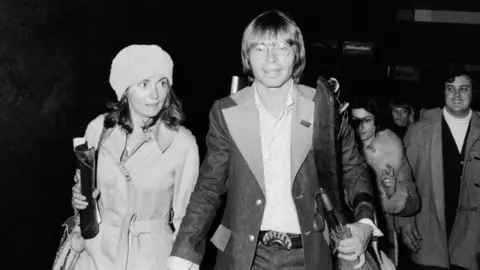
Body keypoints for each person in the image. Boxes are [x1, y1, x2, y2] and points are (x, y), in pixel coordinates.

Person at [167, 10, 382, 270]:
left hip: (309, 255)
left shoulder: (323, 107)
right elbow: (209, 187)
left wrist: (365, 223)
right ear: (247, 56)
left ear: (297, 55)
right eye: (260, 48)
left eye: (282, 47)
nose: (271, 58)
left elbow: (353, 169)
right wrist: (184, 251)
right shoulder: (225, 111)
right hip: (244, 256)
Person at [70, 44, 199, 270]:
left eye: (162, 83)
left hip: (152, 259)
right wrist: (79, 200)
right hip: (96, 256)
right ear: (124, 90)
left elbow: (189, 219)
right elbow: (84, 191)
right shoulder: (98, 129)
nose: (155, 94)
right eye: (144, 84)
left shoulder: (182, 143)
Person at [395, 64, 480, 270]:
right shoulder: (419, 131)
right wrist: (405, 222)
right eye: (451, 88)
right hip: (428, 235)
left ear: (473, 92)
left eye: (464, 88)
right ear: (443, 91)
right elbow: (402, 179)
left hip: (472, 239)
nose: (457, 95)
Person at [349, 96, 420, 265]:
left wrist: (393, 193)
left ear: (376, 121)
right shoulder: (340, 147)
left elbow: (413, 202)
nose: (360, 127)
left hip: (380, 234)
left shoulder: (390, 150)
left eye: (367, 120)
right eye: (355, 120)